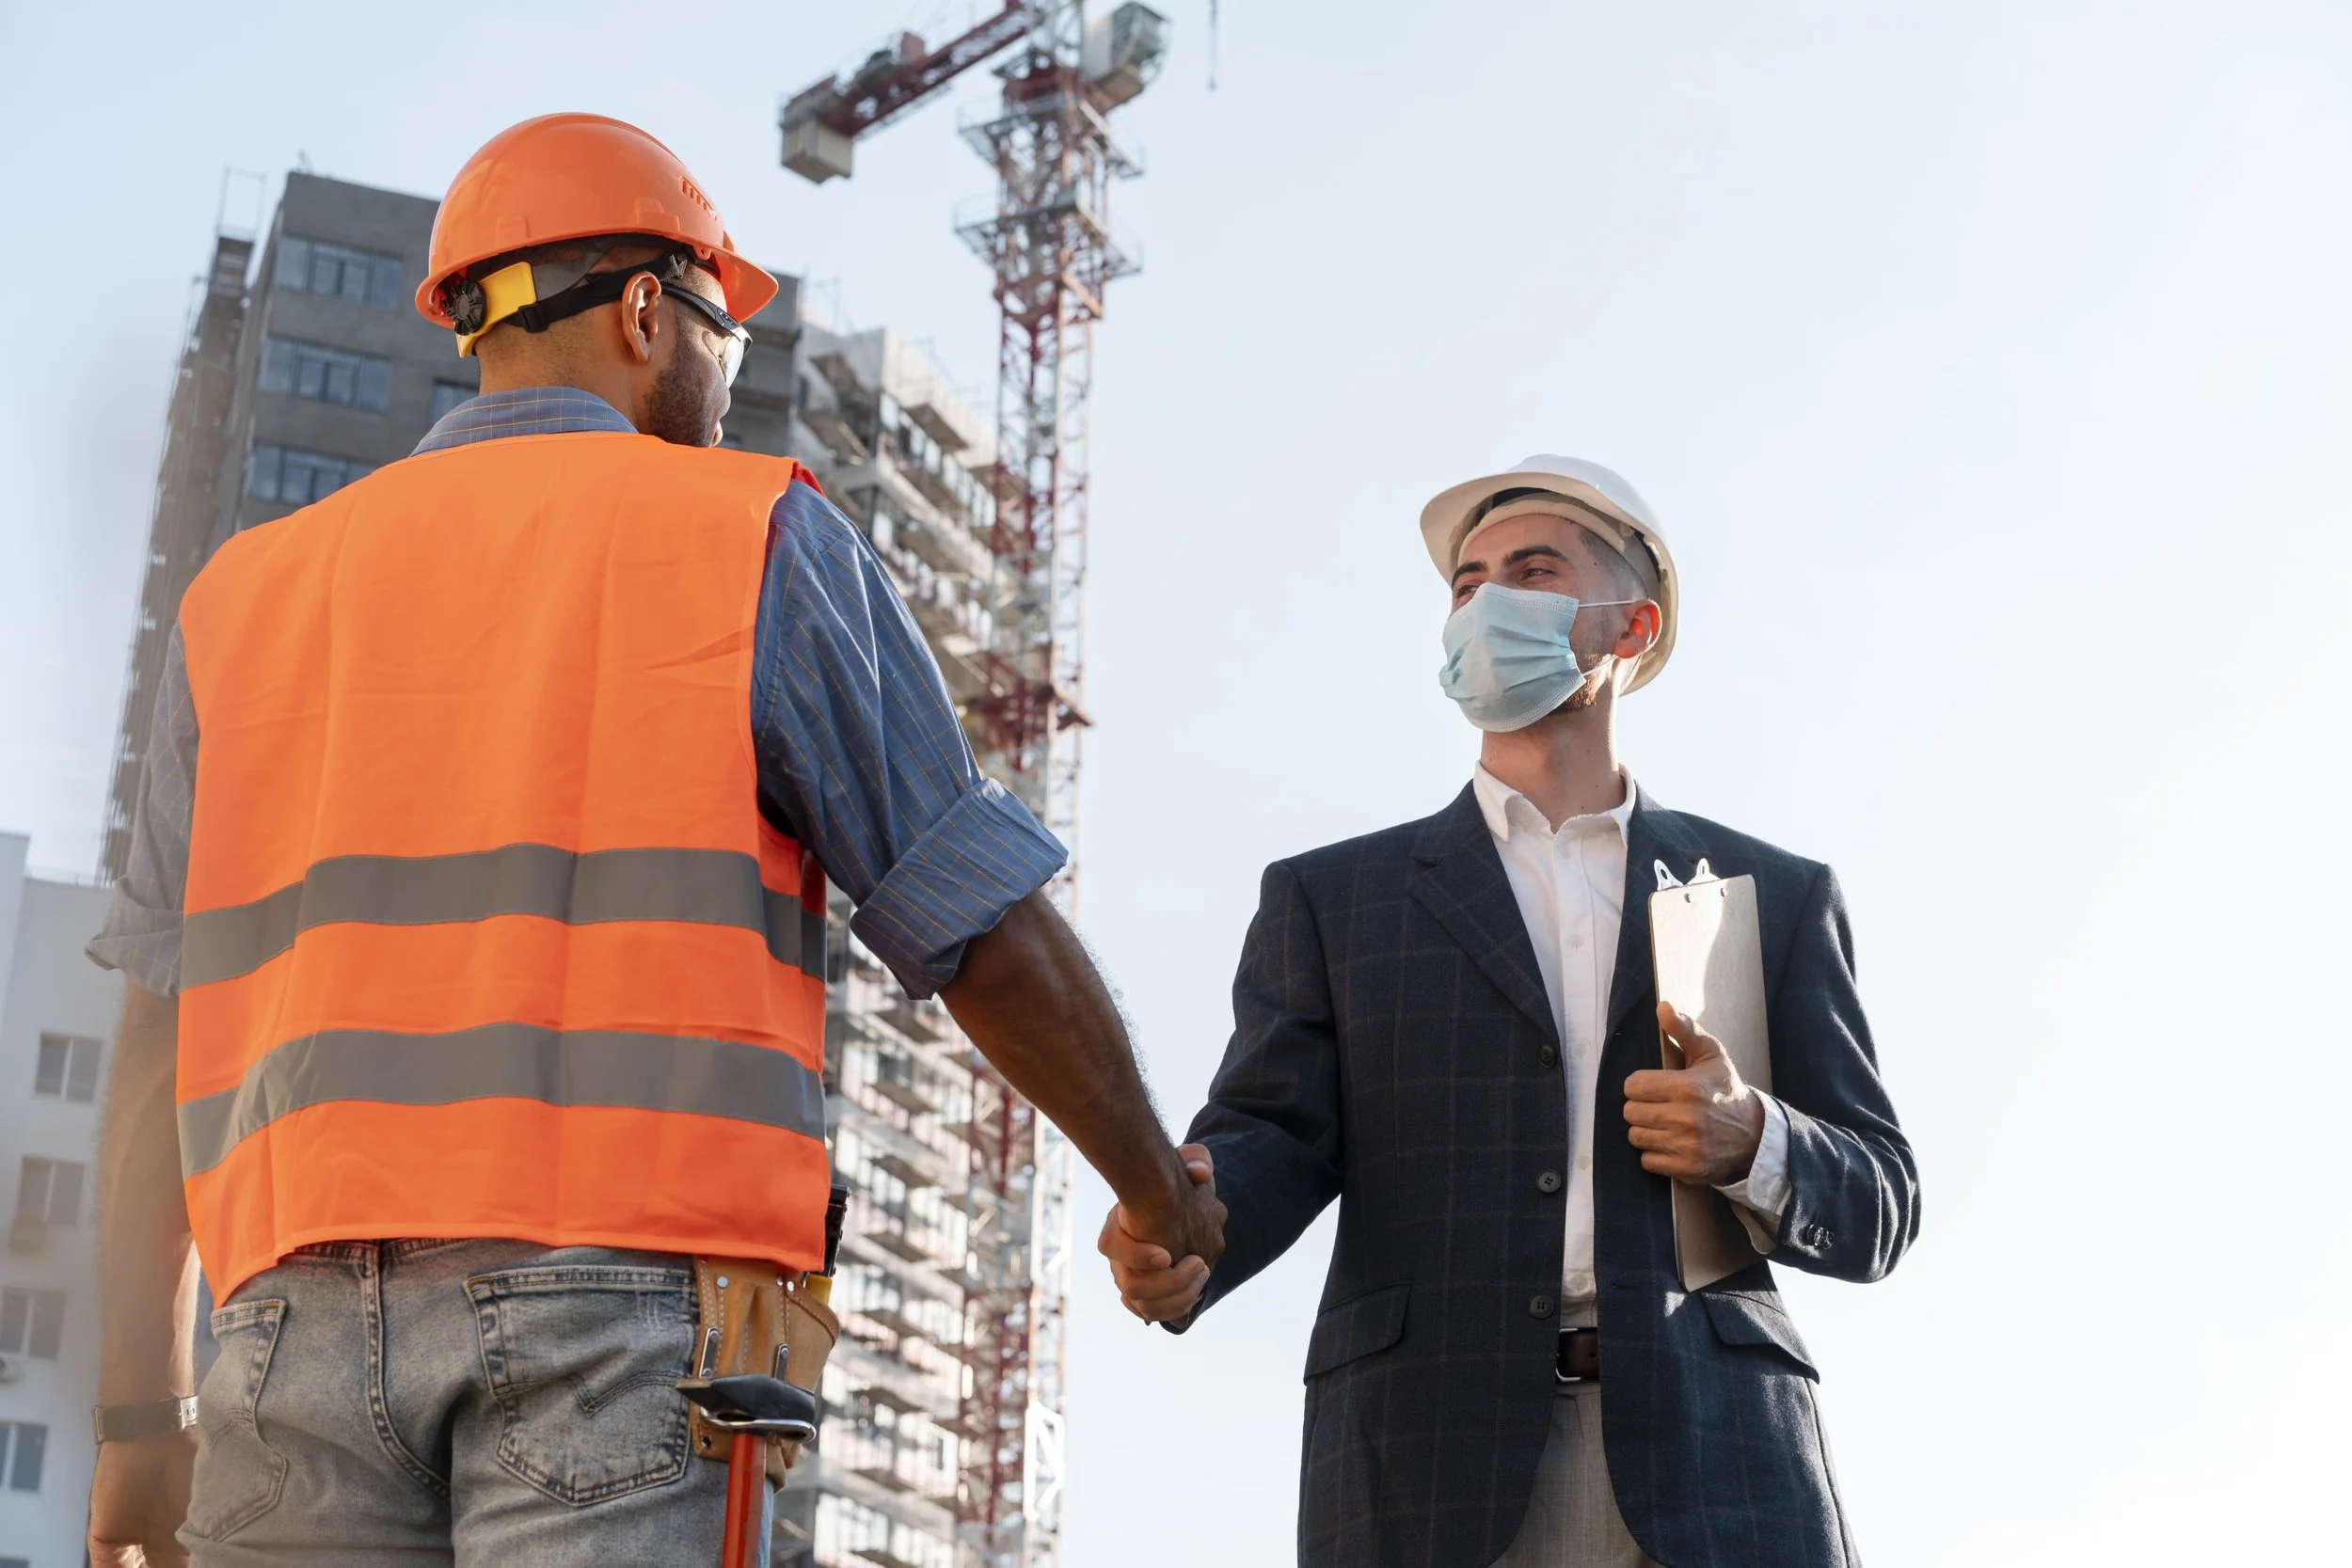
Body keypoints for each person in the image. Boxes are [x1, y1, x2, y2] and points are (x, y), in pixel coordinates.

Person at [84, 113, 1222, 1568]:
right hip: (619, 1324)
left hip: (282, 1338)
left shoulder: (243, 605)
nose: (727, 372)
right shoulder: (748, 535)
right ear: (642, 311)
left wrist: (135, 1411)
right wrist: (1154, 1191)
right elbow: (977, 917)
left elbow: (153, 1032)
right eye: (717, 329)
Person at [1099, 455, 1918, 1567]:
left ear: (1630, 626)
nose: (1486, 603)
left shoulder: (1771, 897)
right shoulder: (1335, 900)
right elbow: (1266, 1140)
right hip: (1427, 1462)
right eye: (1465, 583)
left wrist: (1753, 1139)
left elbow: (1881, 1195)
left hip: (1719, 1463)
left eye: (1532, 572)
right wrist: (1179, 1224)